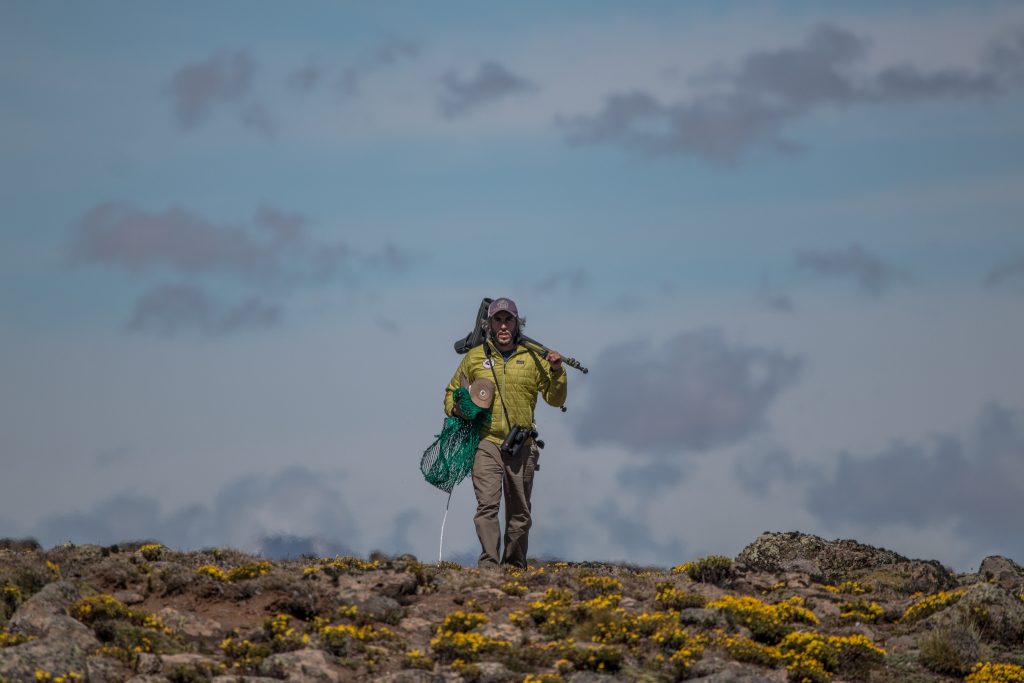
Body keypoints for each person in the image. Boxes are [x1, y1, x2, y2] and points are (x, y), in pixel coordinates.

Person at [444, 297, 567, 568]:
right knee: (487, 506)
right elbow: (452, 392)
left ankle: (514, 566)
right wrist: (458, 408)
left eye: (508, 320)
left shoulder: (534, 357)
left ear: (516, 323)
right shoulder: (475, 357)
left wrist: (557, 371)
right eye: (497, 320)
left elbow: (556, 399)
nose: (502, 325)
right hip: (486, 442)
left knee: (519, 512)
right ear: (488, 324)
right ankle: (489, 565)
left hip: (522, 444)